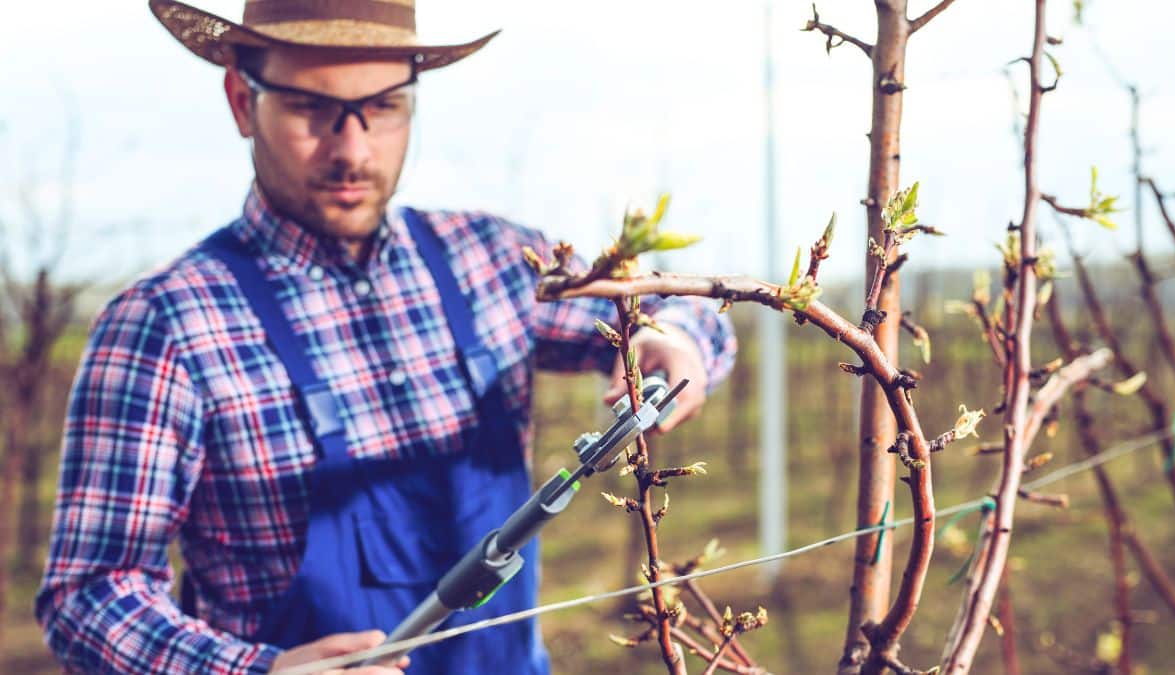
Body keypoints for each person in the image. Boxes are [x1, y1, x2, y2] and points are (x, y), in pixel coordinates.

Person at [35, 1, 736, 673]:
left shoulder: (492, 263)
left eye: (383, 107)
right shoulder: (167, 325)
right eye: (313, 108)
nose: (352, 148)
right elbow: (89, 596)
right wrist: (258, 670)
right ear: (243, 101)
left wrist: (671, 338)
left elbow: (675, 305)